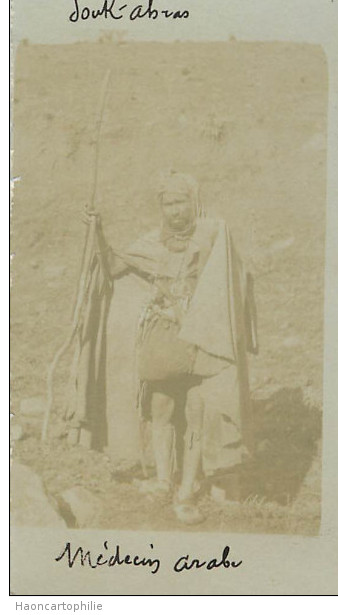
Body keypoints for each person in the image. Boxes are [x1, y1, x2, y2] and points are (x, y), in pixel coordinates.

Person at [87, 171, 257, 525]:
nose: (176, 210)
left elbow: (233, 276)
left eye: (181, 202)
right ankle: (165, 481)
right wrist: (97, 231)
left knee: (196, 412)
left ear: (193, 203)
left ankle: (188, 489)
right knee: (161, 408)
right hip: (164, 337)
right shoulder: (151, 243)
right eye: (169, 203)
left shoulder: (212, 237)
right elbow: (115, 266)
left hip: (201, 338)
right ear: (160, 207)